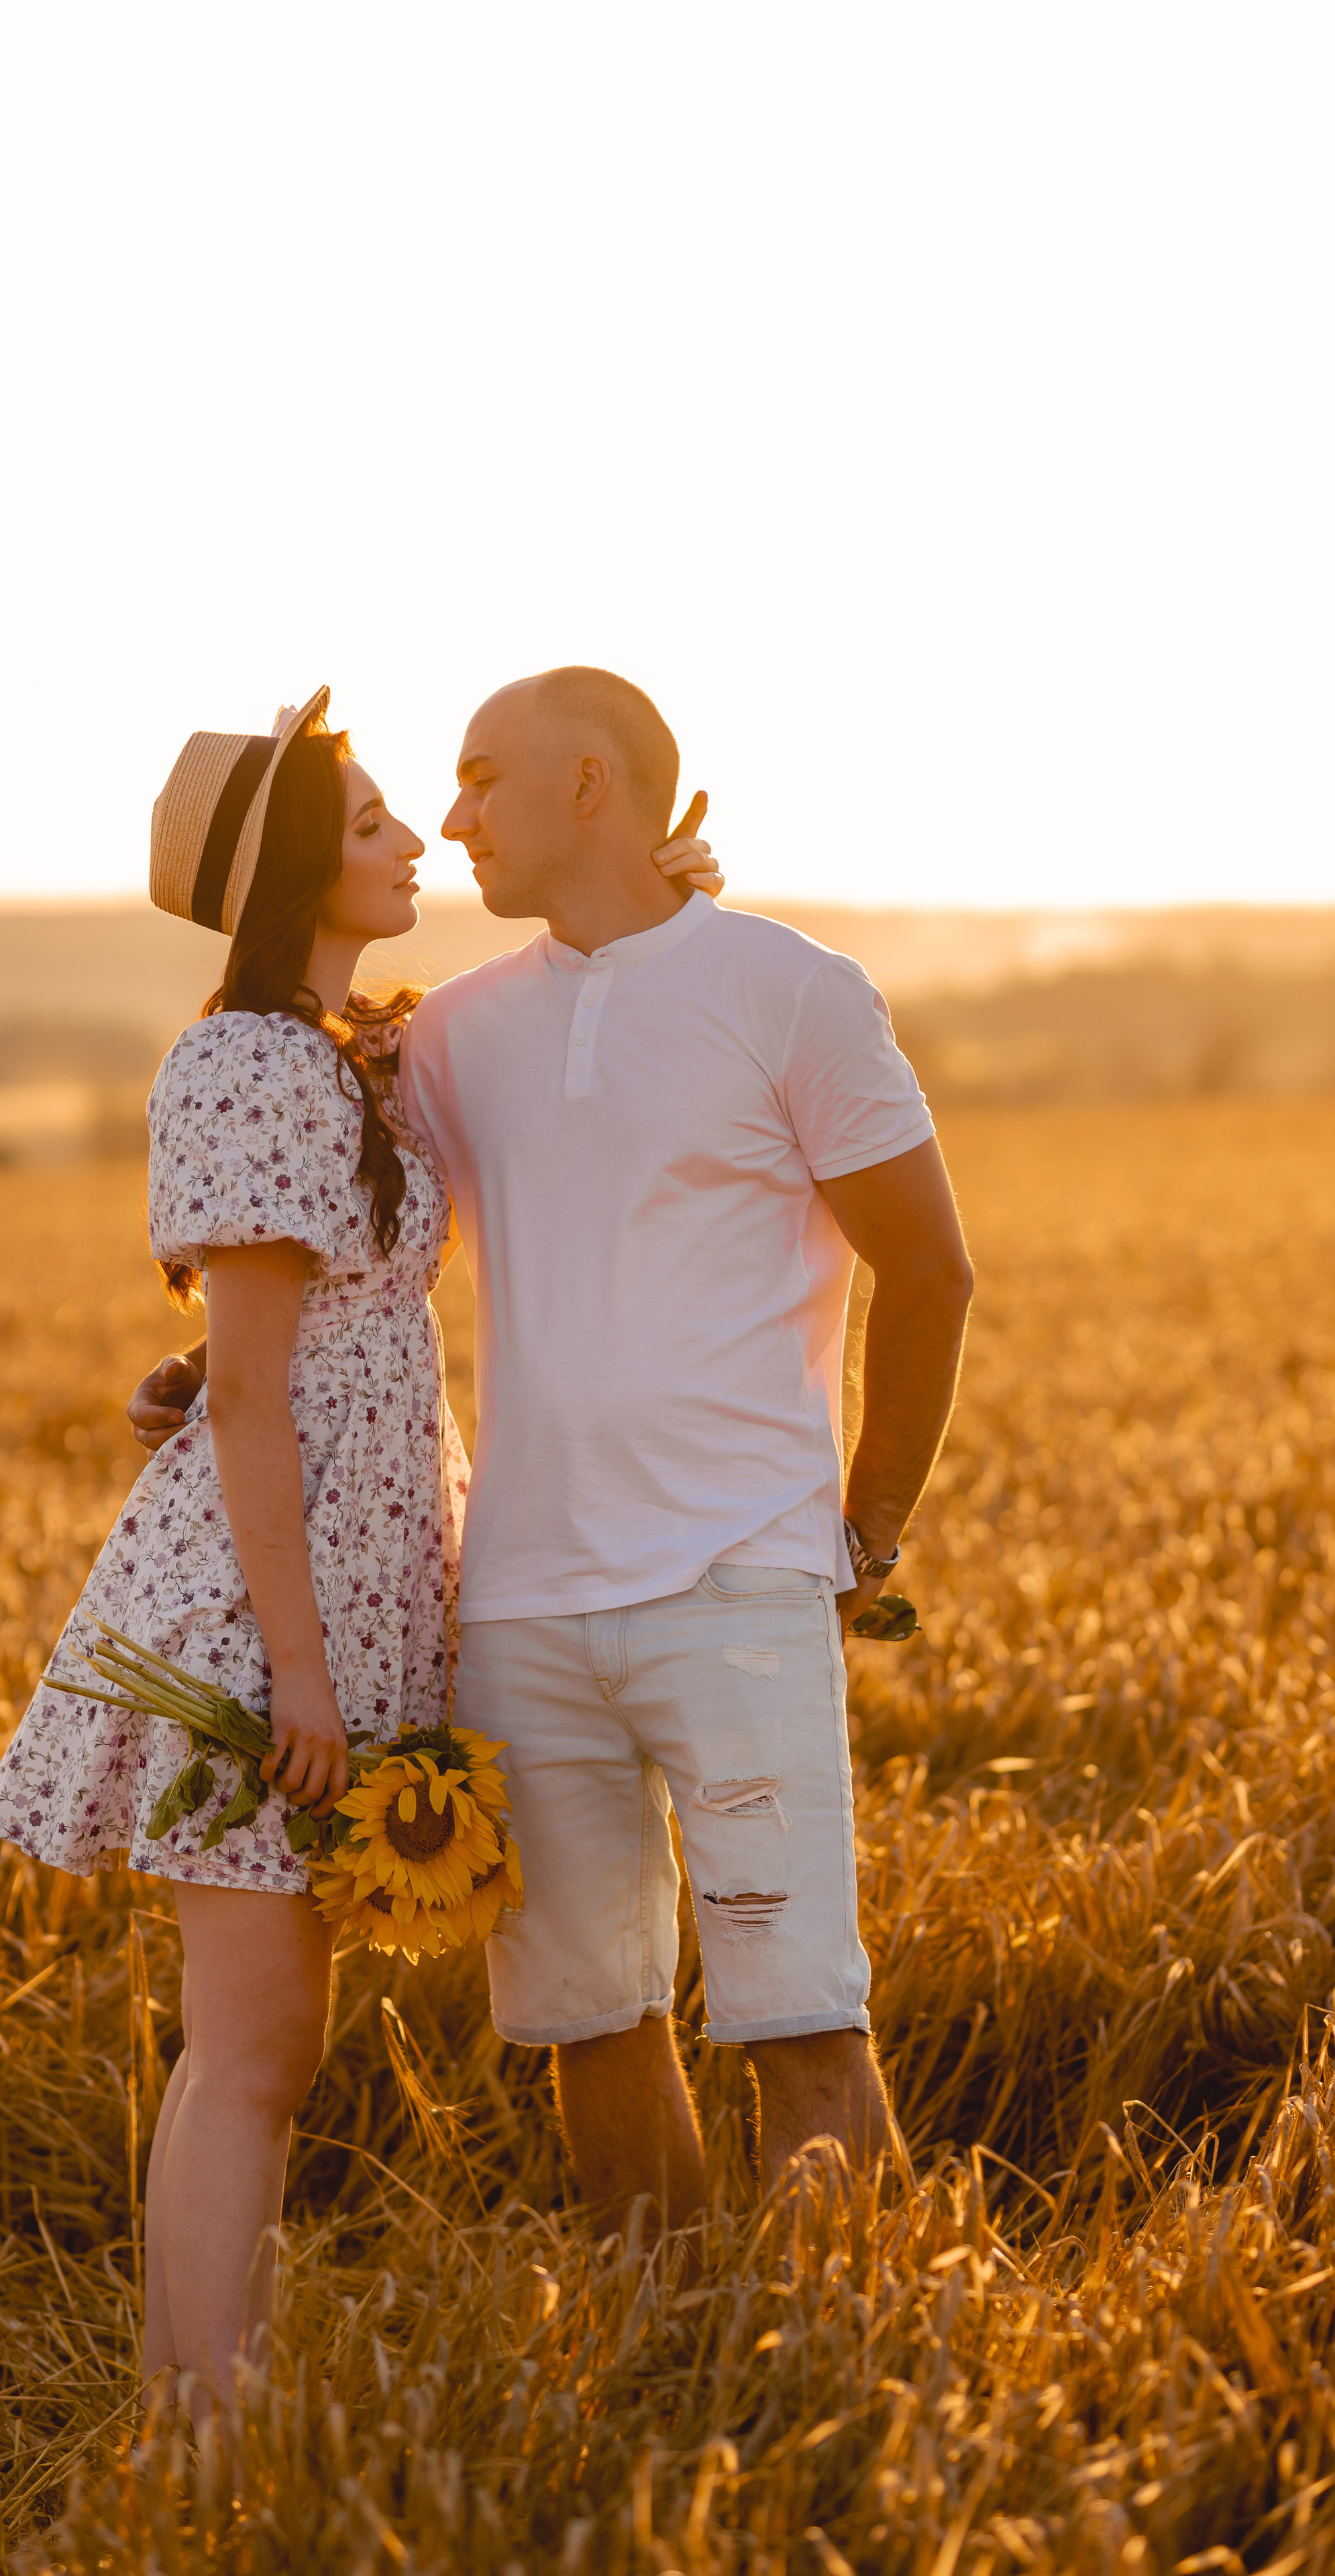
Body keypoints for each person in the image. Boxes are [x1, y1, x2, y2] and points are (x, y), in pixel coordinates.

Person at [130, 667, 975, 2234]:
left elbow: (929, 1277)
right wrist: (207, 1363)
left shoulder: (793, 990)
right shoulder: (451, 1033)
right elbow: (328, 1241)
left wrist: (864, 1533)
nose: (448, 821)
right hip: (513, 1601)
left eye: (478, 779)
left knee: (798, 2018)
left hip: (735, 1582)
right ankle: (680, 2367)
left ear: (591, 785)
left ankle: (859, 2378)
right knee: (592, 2022)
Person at [0, 688, 720, 2420]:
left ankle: (192, 2411)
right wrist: (303, 1677)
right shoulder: (242, 1062)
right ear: (300, 866)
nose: (416, 842)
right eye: (376, 820)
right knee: (251, 2054)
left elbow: (520, 1034)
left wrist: (653, 884)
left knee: (265, 2052)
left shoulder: (352, 1050)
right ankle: (204, 2433)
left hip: (338, 1598)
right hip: (258, 1624)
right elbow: (244, 1397)